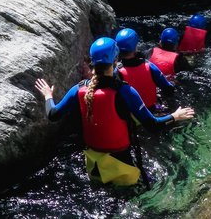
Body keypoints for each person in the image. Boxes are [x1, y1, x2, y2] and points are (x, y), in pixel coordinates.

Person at [34, 37, 195, 187]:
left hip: (93, 167)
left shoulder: (78, 89)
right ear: (116, 60)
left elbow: (53, 114)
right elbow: (153, 125)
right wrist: (175, 116)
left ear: (92, 61)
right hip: (121, 168)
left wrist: (48, 96)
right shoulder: (125, 91)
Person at [114, 27, 175, 113]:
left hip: (132, 115)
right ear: (135, 47)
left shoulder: (116, 72)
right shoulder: (150, 66)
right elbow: (169, 90)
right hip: (152, 110)